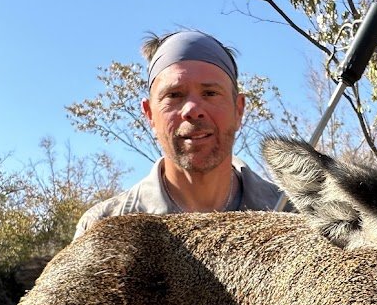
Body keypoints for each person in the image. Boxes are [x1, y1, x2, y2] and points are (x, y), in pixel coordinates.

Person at [74, 30, 285, 239]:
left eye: (210, 93)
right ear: (149, 115)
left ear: (238, 110)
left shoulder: (295, 215)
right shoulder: (102, 228)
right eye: (174, 95)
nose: (192, 109)